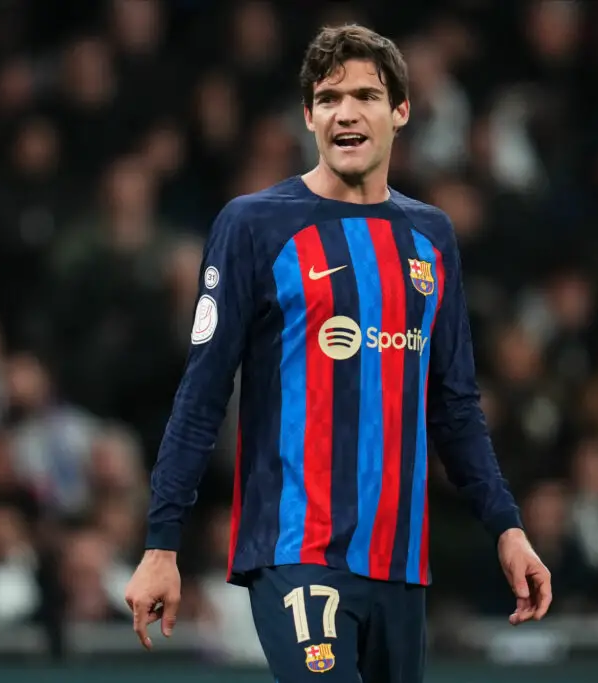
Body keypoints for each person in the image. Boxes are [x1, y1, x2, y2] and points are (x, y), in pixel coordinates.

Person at [124, 24, 552, 682]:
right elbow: (202, 394)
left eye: (365, 96)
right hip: (295, 548)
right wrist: (162, 543)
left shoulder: (431, 237)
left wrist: (507, 527)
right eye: (328, 99)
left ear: (400, 110)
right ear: (308, 116)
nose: (345, 112)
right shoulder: (254, 224)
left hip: (399, 561)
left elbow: (455, 406)